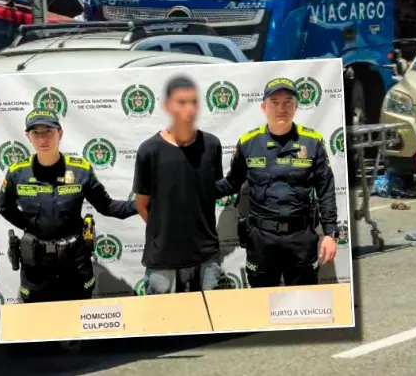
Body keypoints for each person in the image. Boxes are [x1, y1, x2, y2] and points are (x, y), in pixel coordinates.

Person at [0, 109, 137, 303]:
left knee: (79, 319)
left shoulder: (80, 170)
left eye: (48, 131)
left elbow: (108, 206)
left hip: (75, 263)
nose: (42, 138)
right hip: (36, 266)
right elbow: (5, 208)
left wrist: (144, 203)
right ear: (28, 137)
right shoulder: (16, 173)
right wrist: (33, 225)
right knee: (37, 321)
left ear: (60, 133)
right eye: (35, 133)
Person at [215, 78, 339, 287]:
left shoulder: (312, 141)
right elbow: (231, 184)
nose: (281, 108)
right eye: (275, 102)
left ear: (296, 106)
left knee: (305, 303)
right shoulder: (248, 143)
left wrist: (330, 234)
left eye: (288, 102)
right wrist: (194, 187)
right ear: (264, 107)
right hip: (261, 239)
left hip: (301, 238)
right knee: (262, 304)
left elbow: (325, 190)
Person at [132, 75, 225, 294]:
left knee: (209, 323)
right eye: (182, 102)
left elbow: (210, 192)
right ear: (167, 106)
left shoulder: (211, 145)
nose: (189, 109)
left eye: (193, 102)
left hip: (206, 257)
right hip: (163, 261)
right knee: (164, 323)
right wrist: (168, 232)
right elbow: (142, 205)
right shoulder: (149, 150)